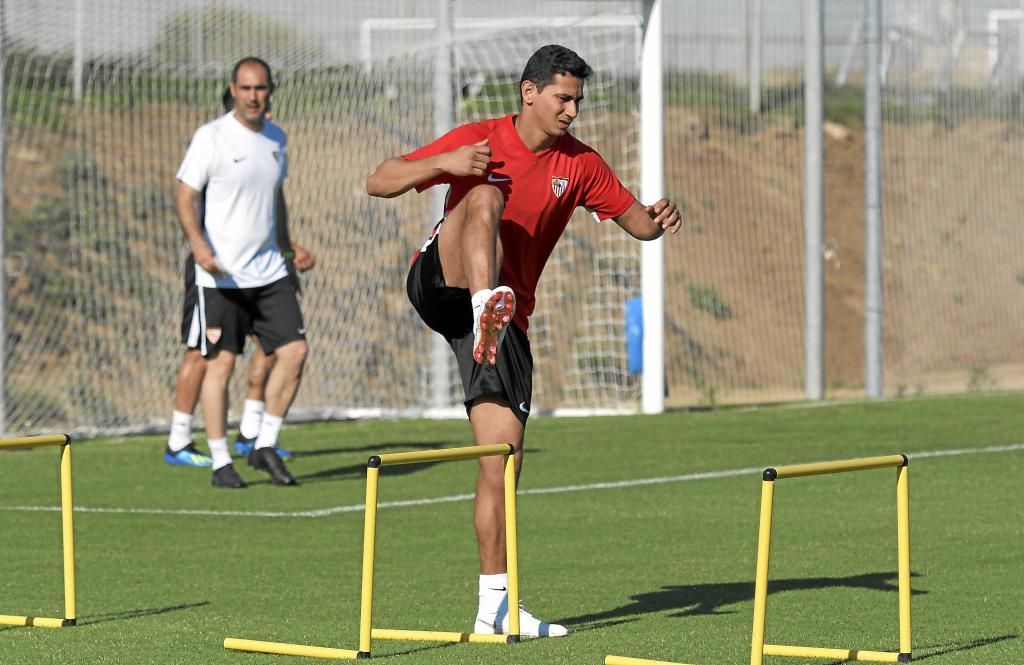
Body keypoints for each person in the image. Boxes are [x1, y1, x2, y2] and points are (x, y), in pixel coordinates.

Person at [366, 44, 682, 638]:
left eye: (578, 102)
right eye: (563, 98)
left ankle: (494, 610)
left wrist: (658, 219)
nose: (571, 111)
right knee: (486, 194)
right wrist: (450, 163)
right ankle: (488, 304)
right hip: (444, 282)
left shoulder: (581, 164)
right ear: (528, 92)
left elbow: (637, 223)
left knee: (501, 464)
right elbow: (379, 181)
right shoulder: (480, 137)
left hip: (504, 323)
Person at [175, 56, 308, 488]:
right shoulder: (211, 138)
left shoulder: (276, 138)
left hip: (268, 272)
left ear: (270, 91)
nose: (254, 96)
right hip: (221, 277)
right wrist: (199, 245)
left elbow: (276, 197)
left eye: (261, 88)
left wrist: (287, 247)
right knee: (222, 365)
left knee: (294, 352)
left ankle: (264, 444)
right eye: (246, 88)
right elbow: (184, 195)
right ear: (233, 89)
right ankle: (219, 460)